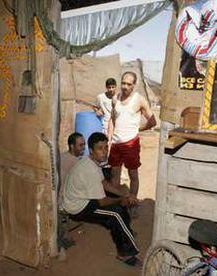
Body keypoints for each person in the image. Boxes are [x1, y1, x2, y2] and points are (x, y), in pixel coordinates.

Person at [62, 132, 141, 267]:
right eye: (100, 148)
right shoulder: (89, 169)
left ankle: (124, 232)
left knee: (118, 204)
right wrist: (121, 199)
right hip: (77, 206)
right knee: (115, 213)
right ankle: (126, 253)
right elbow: (102, 202)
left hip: (82, 198)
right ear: (91, 151)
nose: (104, 152)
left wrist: (124, 195)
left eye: (106, 148)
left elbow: (104, 183)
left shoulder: (92, 161)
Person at [109, 71, 156, 202]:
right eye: (123, 83)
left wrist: (138, 129)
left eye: (128, 84)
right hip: (116, 143)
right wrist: (109, 138)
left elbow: (152, 122)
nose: (125, 86)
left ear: (134, 85)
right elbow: (112, 120)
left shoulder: (139, 99)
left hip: (130, 144)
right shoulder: (115, 99)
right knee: (114, 173)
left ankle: (133, 202)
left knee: (133, 174)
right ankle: (115, 201)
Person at [59, 132, 85, 201]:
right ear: (72, 146)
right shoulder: (76, 162)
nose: (84, 148)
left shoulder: (61, 156)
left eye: (84, 145)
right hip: (67, 200)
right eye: (80, 145)